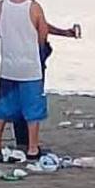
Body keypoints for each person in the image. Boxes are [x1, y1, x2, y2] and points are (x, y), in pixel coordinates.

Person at [0, 0, 55, 162]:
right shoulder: (33, 7)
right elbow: (42, 34)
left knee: (2, 108)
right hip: (30, 66)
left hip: (8, 65)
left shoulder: (2, 5)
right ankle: (32, 148)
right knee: (32, 109)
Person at [12, 15, 81, 151]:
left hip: (15, 57)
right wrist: (62, 34)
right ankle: (30, 146)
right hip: (32, 56)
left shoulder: (7, 7)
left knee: (19, 99)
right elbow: (41, 27)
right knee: (31, 101)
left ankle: (22, 142)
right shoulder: (31, 7)